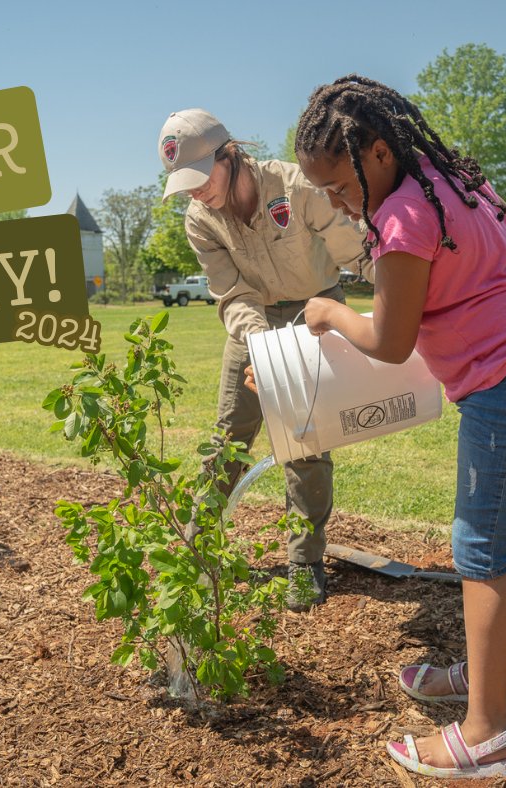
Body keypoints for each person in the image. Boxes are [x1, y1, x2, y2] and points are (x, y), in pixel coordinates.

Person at [291, 75, 506, 778]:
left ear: (376, 152)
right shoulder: (451, 179)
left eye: (339, 186)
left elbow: (390, 340)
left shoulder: (402, 216)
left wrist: (330, 312)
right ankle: (492, 677)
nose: (337, 203)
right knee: (498, 535)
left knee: (480, 548)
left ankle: (487, 734)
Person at [157, 108, 371, 612]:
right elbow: (233, 293)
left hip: (315, 313)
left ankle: (304, 562)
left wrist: (411, 293)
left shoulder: (297, 187)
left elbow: (358, 253)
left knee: (305, 441)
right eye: (184, 185)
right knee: (227, 439)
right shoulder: (200, 219)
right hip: (250, 324)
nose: (195, 192)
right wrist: (262, 348)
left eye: (200, 178)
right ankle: (198, 551)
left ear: (229, 154)